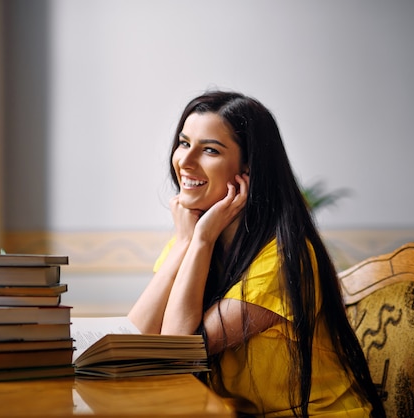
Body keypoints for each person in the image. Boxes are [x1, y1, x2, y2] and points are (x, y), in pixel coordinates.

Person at [128, 91, 385, 417]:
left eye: (209, 150)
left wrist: (199, 242)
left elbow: (174, 353)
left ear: (248, 168)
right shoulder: (193, 240)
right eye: (183, 143)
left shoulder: (282, 259)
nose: (186, 161)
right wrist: (184, 245)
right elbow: (136, 336)